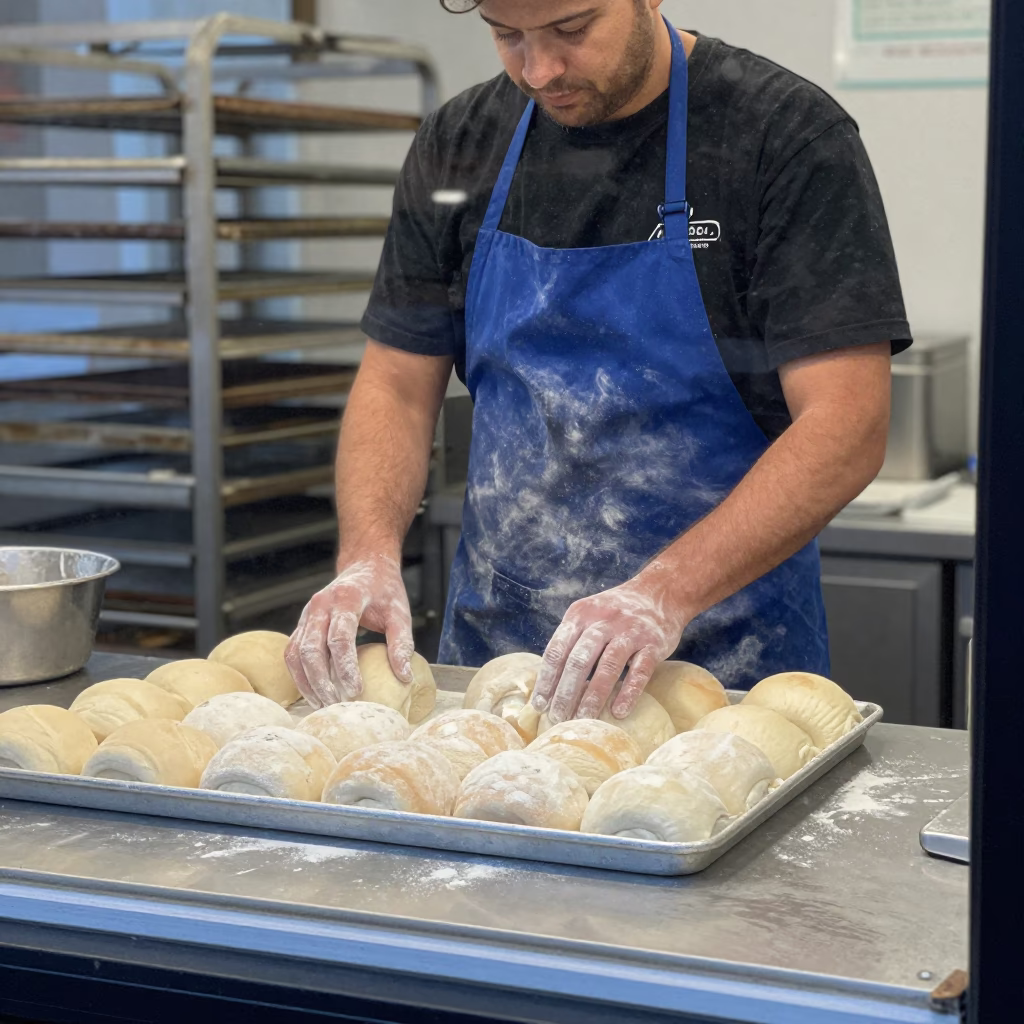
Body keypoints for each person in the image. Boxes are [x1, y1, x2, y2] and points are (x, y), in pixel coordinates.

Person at [286, 0, 910, 726]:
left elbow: (847, 424)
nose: (540, 69)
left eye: (573, 31)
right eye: (507, 35)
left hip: (722, 677)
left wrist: (661, 595)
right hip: (495, 670)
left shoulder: (783, 135)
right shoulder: (461, 142)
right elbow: (396, 382)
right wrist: (367, 553)